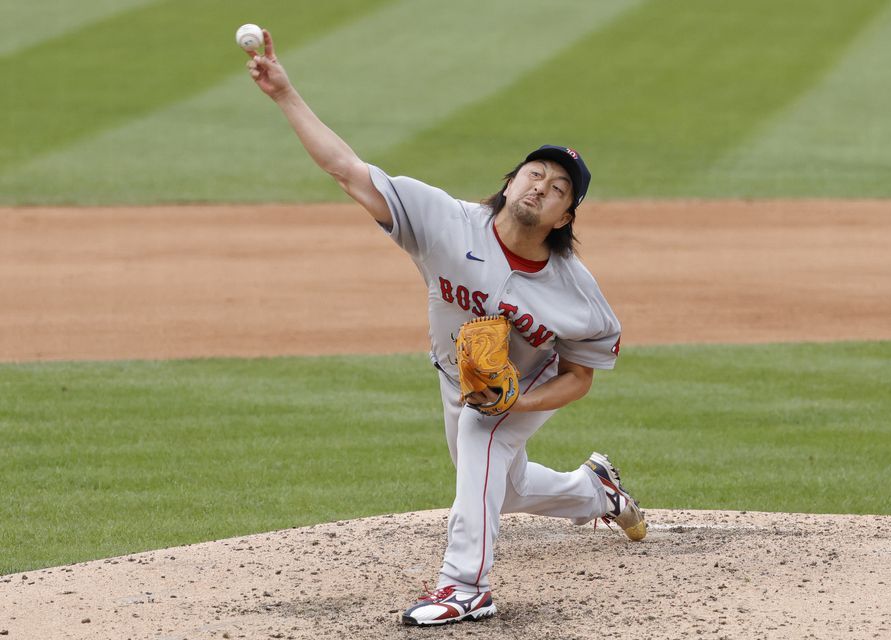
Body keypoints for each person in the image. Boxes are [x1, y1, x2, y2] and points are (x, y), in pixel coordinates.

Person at [244, 30, 647, 627]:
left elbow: (581, 376)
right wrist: (284, 93)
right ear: (509, 182)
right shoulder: (445, 222)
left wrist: (522, 398)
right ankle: (597, 490)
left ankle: (465, 586)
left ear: (566, 216)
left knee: (486, 434)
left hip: (522, 386)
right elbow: (347, 171)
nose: (543, 186)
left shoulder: (577, 292)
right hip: (453, 376)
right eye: (535, 173)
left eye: (559, 188)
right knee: (497, 487)